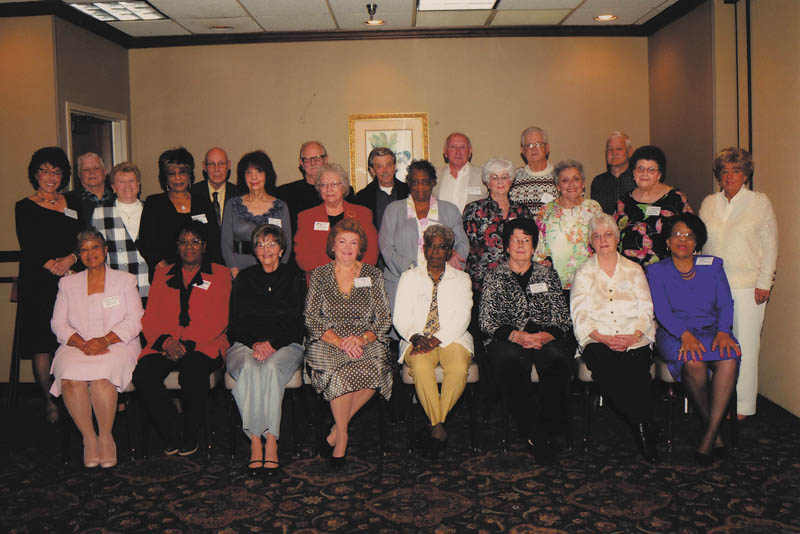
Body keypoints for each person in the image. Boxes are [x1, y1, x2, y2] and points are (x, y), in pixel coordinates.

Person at [646, 213, 741, 465]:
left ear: (697, 241)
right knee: (694, 361)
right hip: (674, 332)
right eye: (677, 234)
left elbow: (725, 302)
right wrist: (684, 335)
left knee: (729, 359)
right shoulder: (656, 271)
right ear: (667, 241)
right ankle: (714, 432)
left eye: (689, 235)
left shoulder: (713, 266)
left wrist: (723, 331)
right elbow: (662, 311)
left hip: (712, 330)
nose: (683, 240)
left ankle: (709, 435)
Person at [132, 221, 231, 456]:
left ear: (205, 246)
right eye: (183, 242)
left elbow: (220, 318)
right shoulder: (162, 274)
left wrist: (187, 344)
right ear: (176, 247)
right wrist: (167, 342)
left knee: (193, 373)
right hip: (165, 344)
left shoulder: (220, 273)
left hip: (206, 344)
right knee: (143, 374)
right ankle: (170, 431)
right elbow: (150, 316)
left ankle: (191, 433)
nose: (189, 246)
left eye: (195, 241)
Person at [479, 218, 573, 465]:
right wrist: (516, 335)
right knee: (510, 365)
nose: (520, 245)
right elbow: (486, 321)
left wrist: (546, 335)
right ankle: (534, 432)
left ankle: (542, 429)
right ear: (507, 246)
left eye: (526, 240)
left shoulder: (547, 274)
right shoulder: (493, 276)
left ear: (534, 246)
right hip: (507, 339)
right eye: (515, 240)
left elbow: (563, 317)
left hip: (544, 337)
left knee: (557, 363)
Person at [50, 230, 143, 468]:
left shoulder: (125, 280)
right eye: (84, 249)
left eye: (95, 248)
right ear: (79, 255)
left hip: (118, 343)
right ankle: (89, 438)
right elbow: (58, 324)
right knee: (71, 379)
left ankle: (105, 436)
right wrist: (81, 343)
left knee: (102, 379)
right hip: (77, 344)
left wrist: (105, 340)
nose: (90, 254)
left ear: (105, 251)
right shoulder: (67, 283)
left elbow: (135, 320)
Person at [304, 219, 393, 469]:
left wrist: (362, 339)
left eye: (353, 243)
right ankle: (342, 437)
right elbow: (310, 317)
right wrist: (341, 342)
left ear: (360, 248)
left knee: (377, 369)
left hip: (365, 337)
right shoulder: (320, 274)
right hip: (328, 340)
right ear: (332, 245)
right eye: (342, 241)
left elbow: (384, 318)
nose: (347, 247)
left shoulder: (372, 274)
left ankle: (335, 430)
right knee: (341, 370)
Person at [570, 213, 658, 462]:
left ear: (617, 238)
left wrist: (633, 337)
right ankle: (643, 426)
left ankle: (641, 426)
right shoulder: (584, 272)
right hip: (597, 338)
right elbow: (579, 314)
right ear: (591, 242)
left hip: (634, 336)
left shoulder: (634, 269)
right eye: (597, 236)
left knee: (637, 373)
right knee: (608, 373)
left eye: (608, 234)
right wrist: (604, 338)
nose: (603, 240)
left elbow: (646, 309)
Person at [699, 147, 777, 418]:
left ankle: (743, 406)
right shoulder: (709, 202)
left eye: (735, 170)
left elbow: (770, 245)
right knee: (714, 345)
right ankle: (717, 400)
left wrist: (764, 281)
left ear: (746, 174)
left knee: (744, 345)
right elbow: (699, 243)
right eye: (724, 171)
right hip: (712, 286)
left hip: (747, 286)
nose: (729, 175)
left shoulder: (759, 202)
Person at [227, 224, 305, 472]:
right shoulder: (244, 278)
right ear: (255, 250)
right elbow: (234, 324)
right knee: (250, 367)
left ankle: (270, 439)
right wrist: (255, 344)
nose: (266, 249)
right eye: (260, 244)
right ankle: (254, 441)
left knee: (270, 368)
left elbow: (296, 321)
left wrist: (271, 344)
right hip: (245, 345)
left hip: (286, 344)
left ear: (282, 249)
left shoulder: (293, 277)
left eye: (272, 243)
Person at [15, 146, 84, 422]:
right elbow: (29, 245)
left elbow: (83, 239)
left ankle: (73, 397)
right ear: (35, 173)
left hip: (71, 279)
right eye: (45, 170)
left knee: (71, 339)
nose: (50, 176)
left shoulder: (74, 203)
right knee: (42, 343)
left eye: (56, 171)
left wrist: (70, 260)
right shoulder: (24, 206)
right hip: (38, 283)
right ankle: (50, 401)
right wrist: (52, 265)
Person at [393, 225, 473, 453]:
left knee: (458, 368)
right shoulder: (409, 277)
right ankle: (439, 427)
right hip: (416, 338)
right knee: (420, 367)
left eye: (442, 247)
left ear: (449, 252)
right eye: (432, 246)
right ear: (424, 248)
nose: (436, 252)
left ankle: (434, 423)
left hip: (452, 338)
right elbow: (400, 316)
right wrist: (416, 336)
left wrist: (436, 339)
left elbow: (462, 317)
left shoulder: (462, 279)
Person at [379, 160, 469, 309]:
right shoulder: (393, 210)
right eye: (415, 182)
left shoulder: (450, 210)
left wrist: (451, 263)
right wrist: (412, 272)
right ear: (408, 183)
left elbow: (462, 244)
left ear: (433, 183)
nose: (420, 187)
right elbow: (386, 247)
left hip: (443, 281)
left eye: (425, 181)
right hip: (402, 281)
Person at [139, 147, 221, 275]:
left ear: (189, 175)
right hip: (166, 275)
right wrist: (169, 271)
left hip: (201, 274)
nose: (178, 178)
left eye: (182, 172)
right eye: (171, 173)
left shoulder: (203, 202)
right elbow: (147, 245)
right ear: (165, 177)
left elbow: (214, 242)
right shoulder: (154, 204)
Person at [294, 163, 378, 281]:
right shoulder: (306, 217)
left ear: (343, 187)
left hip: (356, 280)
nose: (329, 189)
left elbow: (371, 253)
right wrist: (332, 274)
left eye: (334, 184)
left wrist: (349, 273)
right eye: (324, 185)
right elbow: (303, 257)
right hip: (320, 283)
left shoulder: (363, 214)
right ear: (319, 189)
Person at [463, 158, 533, 294]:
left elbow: (530, 246)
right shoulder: (474, 210)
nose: (500, 182)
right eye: (494, 177)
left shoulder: (522, 211)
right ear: (487, 182)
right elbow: (466, 247)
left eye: (504, 177)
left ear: (511, 181)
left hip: (517, 284)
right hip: (483, 285)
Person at [615, 145, 692, 266]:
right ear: (633, 172)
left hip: (665, 273)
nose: (644, 173)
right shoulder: (624, 201)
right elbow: (613, 236)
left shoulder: (675, 199)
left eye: (651, 169)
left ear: (659, 175)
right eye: (640, 168)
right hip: (628, 275)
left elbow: (691, 237)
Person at [534, 160, 602, 294]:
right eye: (565, 180)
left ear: (583, 183)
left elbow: (602, 241)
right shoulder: (546, 211)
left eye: (576, 179)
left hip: (590, 280)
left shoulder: (593, 208)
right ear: (558, 186)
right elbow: (538, 250)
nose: (571, 184)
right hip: (556, 284)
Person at [221, 150, 291, 277]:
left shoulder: (280, 206)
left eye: (259, 172)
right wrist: (234, 271)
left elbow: (287, 244)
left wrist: (280, 271)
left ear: (267, 175)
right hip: (239, 269)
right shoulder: (232, 205)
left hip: (272, 269)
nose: (253, 177)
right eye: (248, 172)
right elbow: (225, 244)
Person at [91, 162, 150, 299]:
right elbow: (95, 251)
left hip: (148, 284)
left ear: (139, 184)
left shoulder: (151, 209)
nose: (127, 186)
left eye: (131, 181)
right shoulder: (100, 212)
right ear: (113, 187)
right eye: (121, 182)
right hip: (116, 286)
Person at [191, 147, 243, 259]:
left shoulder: (240, 195)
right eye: (211, 164)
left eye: (221, 164)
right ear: (204, 167)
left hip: (233, 261)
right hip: (201, 260)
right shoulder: (192, 194)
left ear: (228, 165)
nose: (216, 169)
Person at [276, 141, 328, 235]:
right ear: (301, 163)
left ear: (325, 160)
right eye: (307, 159)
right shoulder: (285, 193)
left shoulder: (341, 191)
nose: (313, 163)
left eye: (317, 158)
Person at [353, 146, 409, 231]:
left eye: (389, 165)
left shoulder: (409, 192)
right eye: (380, 166)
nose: (385, 170)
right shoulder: (361, 198)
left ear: (395, 167)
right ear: (372, 170)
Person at [510, 126, 559, 212]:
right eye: (529, 145)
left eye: (538, 144)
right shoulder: (513, 177)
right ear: (523, 150)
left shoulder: (560, 176)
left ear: (547, 148)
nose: (534, 149)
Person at [434, 132, 486, 213]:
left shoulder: (483, 175)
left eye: (462, 147)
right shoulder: (434, 176)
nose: (458, 152)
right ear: (445, 151)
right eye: (453, 147)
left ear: (470, 151)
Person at [590, 132, 636, 215]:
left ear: (629, 152)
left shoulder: (638, 179)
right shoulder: (598, 182)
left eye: (619, 148)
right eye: (610, 149)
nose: (614, 153)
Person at [65, 152, 114, 225]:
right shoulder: (68, 201)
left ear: (104, 172)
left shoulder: (118, 198)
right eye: (86, 169)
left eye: (96, 168)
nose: (91, 172)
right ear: (79, 174)